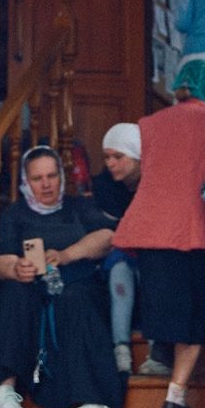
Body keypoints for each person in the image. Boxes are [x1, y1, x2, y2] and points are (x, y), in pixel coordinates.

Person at [112, 60, 205, 408]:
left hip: (151, 227)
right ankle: (174, 398)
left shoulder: (149, 123)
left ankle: (159, 358)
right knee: (195, 319)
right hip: (193, 228)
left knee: (165, 305)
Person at [0, 145, 124, 408]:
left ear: (61, 176)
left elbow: (107, 237)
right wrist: (16, 268)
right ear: (26, 181)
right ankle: (4, 393)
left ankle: (95, 398)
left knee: (78, 297)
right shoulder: (15, 214)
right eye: (37, 178)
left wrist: (66, 255)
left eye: (52, 176)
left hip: (76, 284)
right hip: (30, 288)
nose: (46, 184)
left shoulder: (78, 206)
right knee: (13, 293)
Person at [79, 121, 142, 369]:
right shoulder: (103, 187)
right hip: (119, 259)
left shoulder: (152, 186)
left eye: (118, 157)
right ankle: (121, 347)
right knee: (119, 268)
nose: (111, 163)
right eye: (107, 157)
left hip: (148, 257)